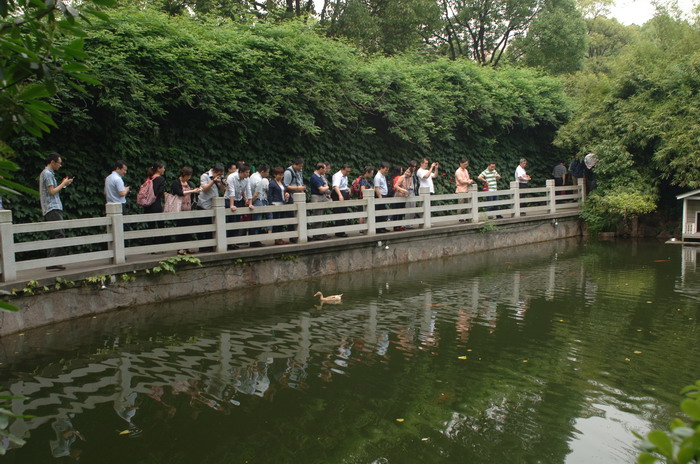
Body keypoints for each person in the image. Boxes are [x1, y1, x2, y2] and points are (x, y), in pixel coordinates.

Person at [40, 152, 73, 270]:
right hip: (52, 207)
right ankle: (53, 261)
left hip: (50, 207)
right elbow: (52, 191)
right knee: (59, 234)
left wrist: (64, 185)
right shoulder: (48, 174)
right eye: (59, 163)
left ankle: (52, 261)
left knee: (53, 234)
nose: (60, 165)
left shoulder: (47, 173)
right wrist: (63, 183)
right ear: (52, 162)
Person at [171, 166, 202, 255]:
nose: (189, 178)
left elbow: (192, 193)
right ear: (184, 175)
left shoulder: (190, 184)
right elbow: (179, 193)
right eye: (188, 176)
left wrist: (196, 191)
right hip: (179, 208)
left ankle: (187, 246)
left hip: (188, 208)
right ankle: (180, 248)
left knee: (188, 227)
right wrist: (192, 191)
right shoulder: (176, 183)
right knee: (180, 227)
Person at [197, 164, 225, 252]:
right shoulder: (204, 176)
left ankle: (210, 246)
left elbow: (222, 190)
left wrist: (222, 183)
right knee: (203, 227)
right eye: (219, 174)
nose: (220, 176)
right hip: (204, 205)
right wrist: (213, 181)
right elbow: (204, 188)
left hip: (214, 205)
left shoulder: (219, 177)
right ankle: (203, 247)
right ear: (214, 172)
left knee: (212, 226)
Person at [283, 158, 305, 242]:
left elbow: (300, 181)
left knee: (299, 216)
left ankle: (299, 234)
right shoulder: (288, 172)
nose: (300, 168)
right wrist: (297, 188)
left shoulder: (300, 171)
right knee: (292, 216)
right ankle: (292, 237)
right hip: (291, 196)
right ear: (294, 164)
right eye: (299, 166)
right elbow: (286, 185)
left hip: (299, 195)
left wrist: (302, 190)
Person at [249, 164, 271, 246]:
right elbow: (256, 194)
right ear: (262, 171)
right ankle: (254, 241)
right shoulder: (259, 180)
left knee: (255, 220)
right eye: (267, 172)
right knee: (257, 220)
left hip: (254, 199)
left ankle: (254, 240)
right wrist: (251, 202)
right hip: (257, 200)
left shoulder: (253, 176)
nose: (267, 174)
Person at [309, 162, 331, 240]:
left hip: (322, 197)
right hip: (317, 197)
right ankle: (316, 234)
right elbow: (321, 189)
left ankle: (321, 233)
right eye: (325, 168)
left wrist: (325, 187)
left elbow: (324, 186)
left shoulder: (320, 177)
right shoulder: (314, 177)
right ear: (321, 169)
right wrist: (327, 187)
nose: (326, 170)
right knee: (317, 215)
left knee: (322, 215)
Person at [268, 166, 290, 245]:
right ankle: (277, 239)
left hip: (282, 203)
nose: (281, 176)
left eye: (282, 175)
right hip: (275, 204)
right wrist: (271, 204)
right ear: (275, 175)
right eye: (279, 175)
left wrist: (286, 195)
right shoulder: (272, 183)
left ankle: (280, 238)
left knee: (281, 221)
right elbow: (270, 195)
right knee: (276, 221)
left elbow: (284, 191)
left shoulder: (282, 183)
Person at [331, 164, 351, 237]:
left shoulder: (345, 176)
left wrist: (347, 188)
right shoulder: (337, 175)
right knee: (339, 211)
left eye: (349, 172)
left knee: (343, 211)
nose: (347, 173)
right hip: (338, 194)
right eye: (346, 171)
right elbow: (336, 186)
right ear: (342, 169)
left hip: (343, 193)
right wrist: (340, 195)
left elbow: (343, 186)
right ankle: (339, 232)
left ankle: (341, 230)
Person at [374, 162, 391, 233]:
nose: (386, 171)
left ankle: (383, 227)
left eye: (387, 170)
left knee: (383, 212)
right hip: (380, 196)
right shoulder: (377, 177)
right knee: (379, 213)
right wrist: (380, 197)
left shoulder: (383, 176)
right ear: (381, 168)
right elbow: (377, 188)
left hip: (384, 195)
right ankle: (378, 228)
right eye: (385, 170)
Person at [358, 166, 374, 232]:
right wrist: (370, 189)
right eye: (371, 173)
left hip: (361, 198)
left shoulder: (363, 179)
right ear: (367, 172)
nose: (372, 175)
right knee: (363, 213)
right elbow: (363, 189)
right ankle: (362, 228)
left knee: (363, 213)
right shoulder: (363, 180)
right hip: (363, 199)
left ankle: (363, 228)